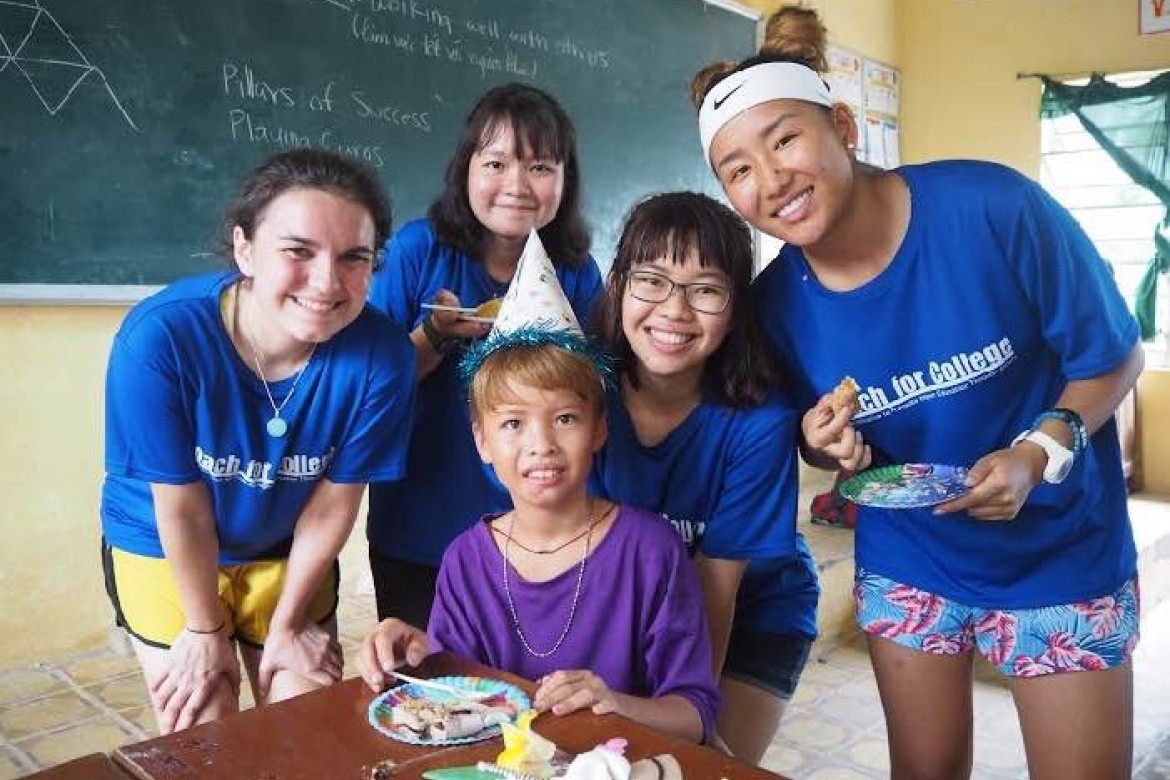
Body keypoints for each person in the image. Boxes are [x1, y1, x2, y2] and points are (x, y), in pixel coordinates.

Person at [692, 6, 1145, 779]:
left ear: (843, 126)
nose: (771, 180)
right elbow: (816, 437)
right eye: (738, 169)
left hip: (1060, 551)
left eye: (785, 140)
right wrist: (822, 441)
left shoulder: (992, 208)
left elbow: (1114, 354)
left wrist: (1040, 452)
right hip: (910, 559)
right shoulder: (774, 306)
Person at [101, 148, 415, 734]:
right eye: (298, 251)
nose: (326, 282)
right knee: (206, 723)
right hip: (164, 544)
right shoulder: (160, 338)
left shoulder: (383, 357)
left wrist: (289, 624)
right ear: (244, 248)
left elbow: (332, 504)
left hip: (285, 550)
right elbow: (182, 508)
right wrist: (204, 630)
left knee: (304, 722)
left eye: (354, 258)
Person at [359, 235, 720, 744]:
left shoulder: (650, 551)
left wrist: (616, 704)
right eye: (513, 423)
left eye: (566, 418)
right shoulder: (466, 561)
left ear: (599, 429)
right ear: (481, 440)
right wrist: (414, 654)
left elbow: (694, 714)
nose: (542, 445)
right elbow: (458, 698)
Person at [590, 192, 818, 763]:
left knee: (703, 765)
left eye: (706, 290)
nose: (674, 310)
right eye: (652, 281)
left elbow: (717, 590)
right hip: (632, 608)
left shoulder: (760, 422)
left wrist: (694, 715)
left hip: (754, 611)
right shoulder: (581, 394)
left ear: (736, 308)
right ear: (618, 286)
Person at [366, 82, 602, 629]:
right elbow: (371, 389)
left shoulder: (575, 271)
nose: (516, 185)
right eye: (496, 163)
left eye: (540, 167)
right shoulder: (418, 251)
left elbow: (594, 394)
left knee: (526, 668)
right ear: (465, 170)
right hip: (419, 522)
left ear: (565, 180)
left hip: (539, 526)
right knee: (425, 671)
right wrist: (434, 335)